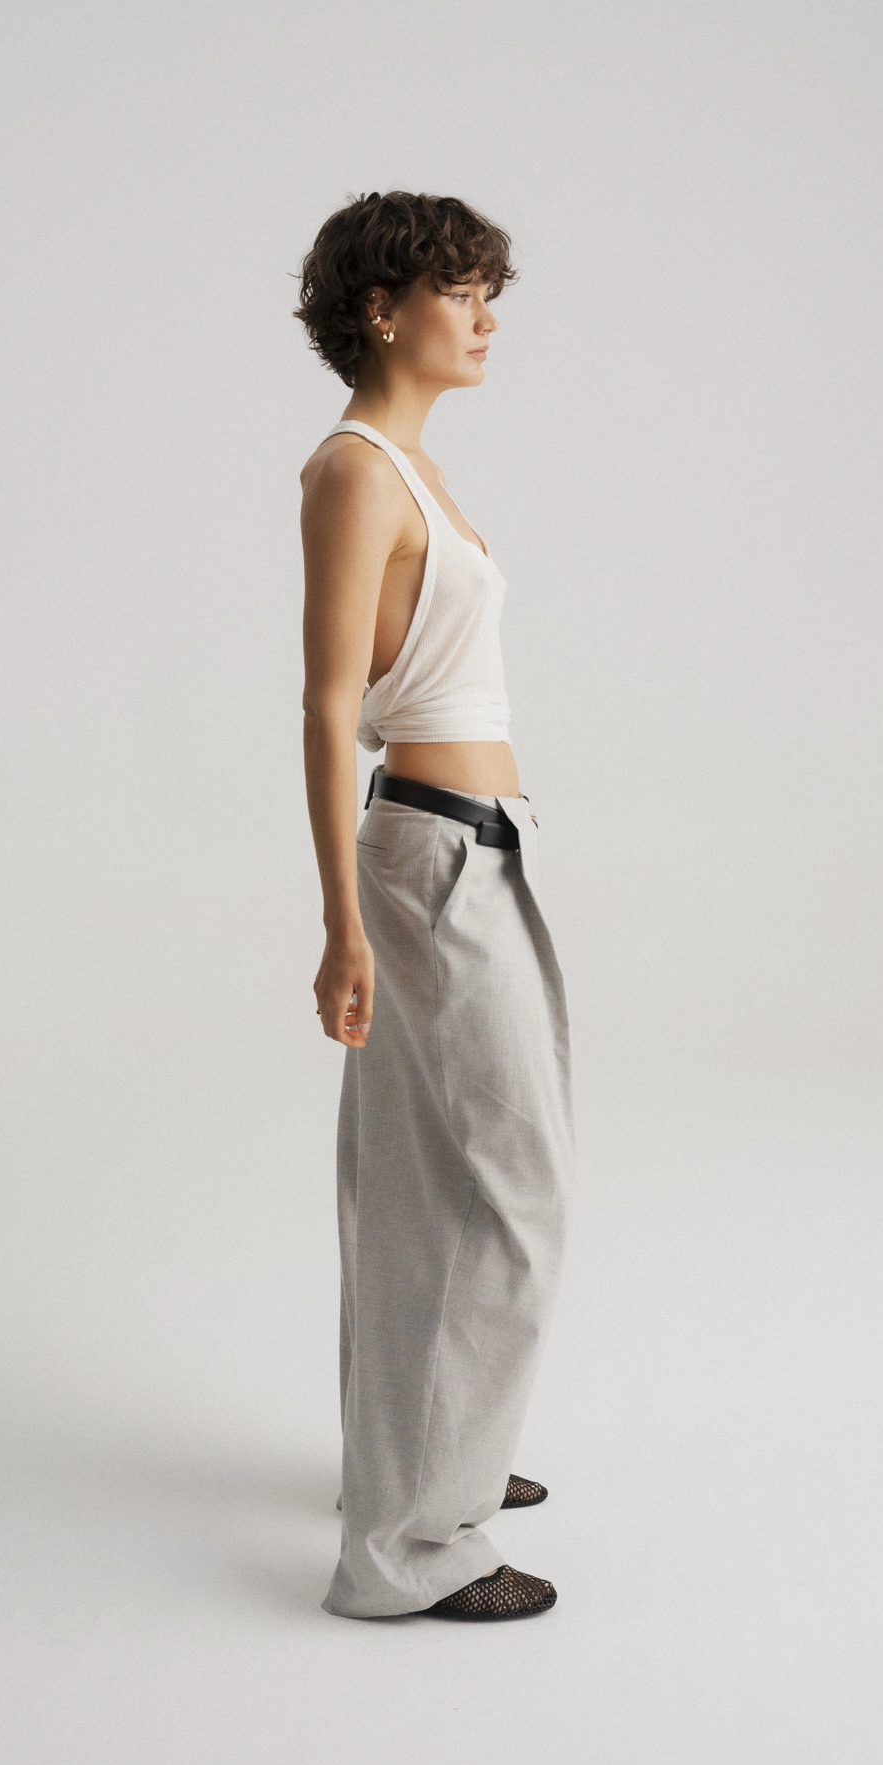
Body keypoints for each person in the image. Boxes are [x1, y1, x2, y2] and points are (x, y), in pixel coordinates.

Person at [296, 191, 574, 1622]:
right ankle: (407, 1552)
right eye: (460, 292)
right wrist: (341, 926)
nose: (486, 319)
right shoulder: (356, 472)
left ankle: (419, 1457)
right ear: (382, 308)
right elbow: (326, 705)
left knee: (419, 1179)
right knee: (507, 1189)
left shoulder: (414, 468)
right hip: (429, 859)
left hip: (472, 848)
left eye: (488, 292)